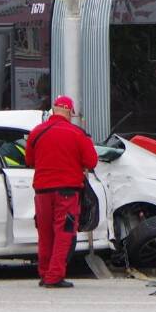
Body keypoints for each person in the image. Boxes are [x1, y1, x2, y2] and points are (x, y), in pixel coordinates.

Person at [24, 95, 98, 289]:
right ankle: (54, 276)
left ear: (54, 110)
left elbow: (29, 160)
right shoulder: (78, 134)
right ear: (70, 112)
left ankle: (44, 273)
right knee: (64, 233)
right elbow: (91, 162)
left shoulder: (36, 132)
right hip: (67, 192)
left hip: (41, 191)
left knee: (45, 233)